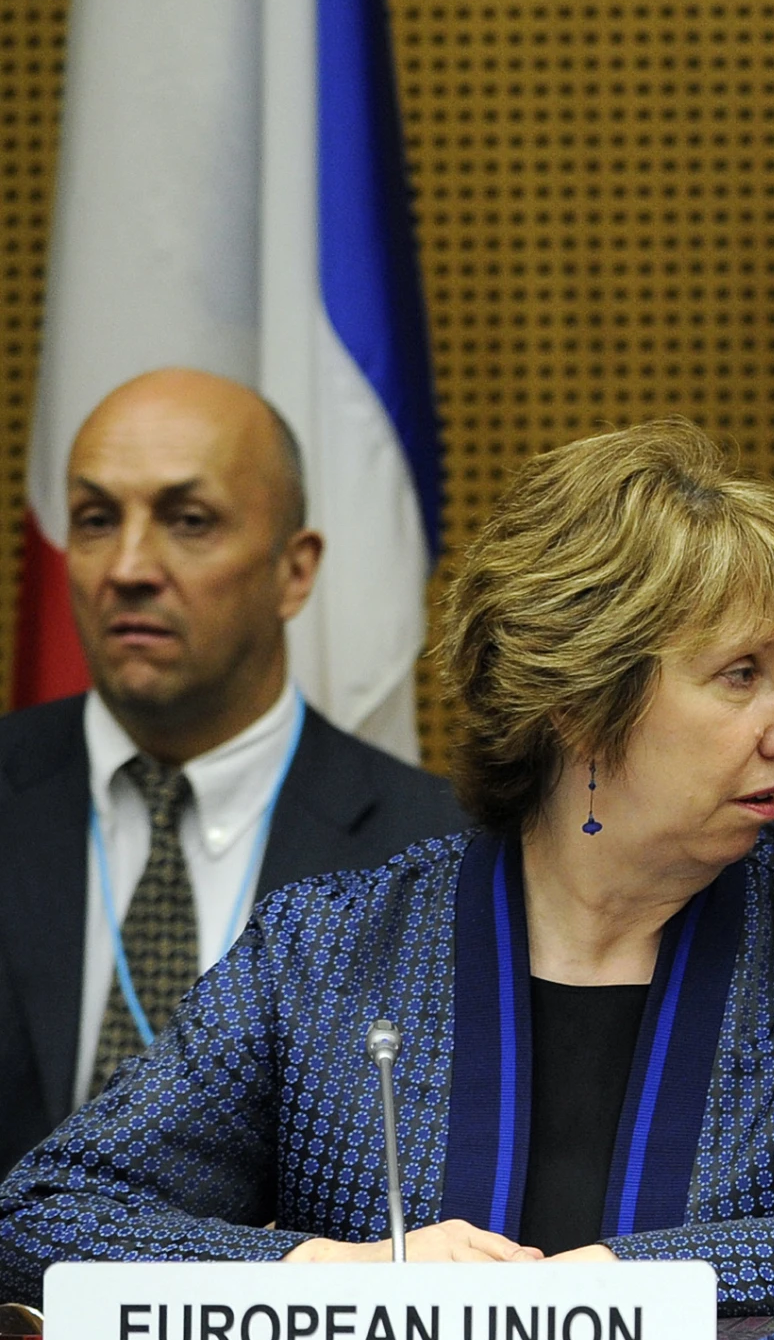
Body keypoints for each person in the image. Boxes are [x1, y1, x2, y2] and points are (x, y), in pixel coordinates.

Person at [0, 418, 774, 1317]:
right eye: (743, 674)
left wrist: (607, 1289)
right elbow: (47, 1214)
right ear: (576, 703)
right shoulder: (328, 949)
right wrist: (333, 1272)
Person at [0, 369, 464, 1174]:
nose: (130, 566)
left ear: (295, 569)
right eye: (96, 520)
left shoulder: (434, 852)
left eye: (188, 521)